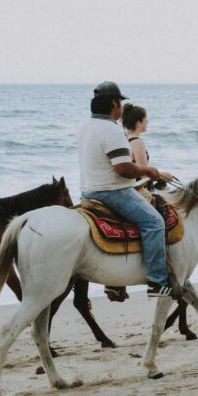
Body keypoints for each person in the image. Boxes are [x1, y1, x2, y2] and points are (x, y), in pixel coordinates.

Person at [78, 82, 182, 298]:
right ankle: (156, 281)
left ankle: (117, 280)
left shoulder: (86, 126)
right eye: (120, 103)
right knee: (154, 222)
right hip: (112, 192)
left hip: (87, 192)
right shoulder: (111, 129)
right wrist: (149, 170)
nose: (121, 108)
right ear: (114, 103)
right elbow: (123, 168)